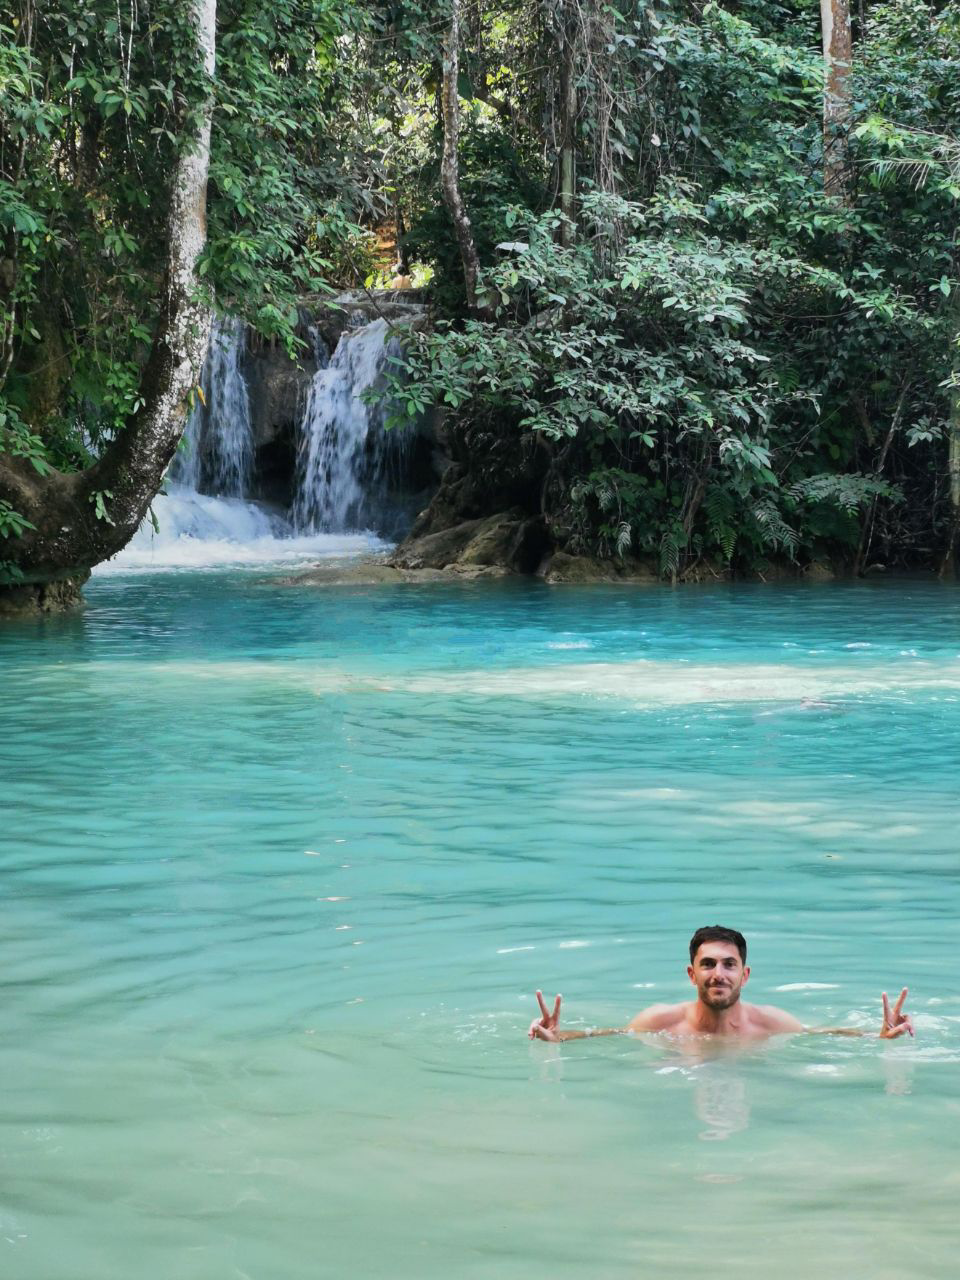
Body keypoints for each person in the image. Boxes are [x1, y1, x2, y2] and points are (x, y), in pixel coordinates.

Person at [527, 924, 914, 1042]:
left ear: (744, 974)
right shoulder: (660, 1021)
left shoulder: (771, 1024)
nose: (719, 974)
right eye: (708, 964)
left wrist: (878, 1037)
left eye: (730, 964)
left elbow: (824, 1033)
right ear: (691, 973)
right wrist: (560, 1037)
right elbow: (606, 1035)